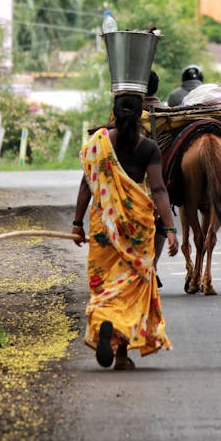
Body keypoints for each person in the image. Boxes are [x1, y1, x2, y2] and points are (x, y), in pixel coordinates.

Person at [72, 93, 178, 370]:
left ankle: (106, 319)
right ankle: (121, 354)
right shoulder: (149, 148)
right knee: (132, 286)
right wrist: (171, 228)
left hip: (103, 228)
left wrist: (76, 223)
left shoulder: (97, 144)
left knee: (105, 285)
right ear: (142, 113)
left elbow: (86, 186)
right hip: (138, 228)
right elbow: (158, 189)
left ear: (114, 113)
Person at [143, 71, 167, 286]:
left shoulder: (121, 116)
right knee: (159, 224)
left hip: (128, 181)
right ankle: (153, 265)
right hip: (158, 181)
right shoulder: (168, 115)